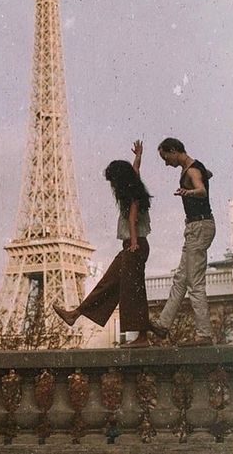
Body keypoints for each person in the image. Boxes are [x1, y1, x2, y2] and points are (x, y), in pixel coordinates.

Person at [53, 141, 152, 348]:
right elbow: (135, 171)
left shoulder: (132, 195)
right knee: (109, 282)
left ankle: (142, 337)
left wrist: (133, 242)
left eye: (114, 182)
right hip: (132, 245)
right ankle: (75, 314)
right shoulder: (134, 187)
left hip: (135, 245)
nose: (113, 186)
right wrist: (138, 157)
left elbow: (133, 219)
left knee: (132, 290)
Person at [149, 137, 216, 346]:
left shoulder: (191, 171)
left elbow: (201, 190)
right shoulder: (194, 167)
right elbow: (205, 178)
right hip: (197, 227)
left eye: (165, 157)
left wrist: (189, 191)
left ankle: (204, 334)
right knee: (181, 278)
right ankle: (162, 325)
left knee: (194, 282)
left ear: (174, 150)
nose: (166, 162)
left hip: (199, 226)